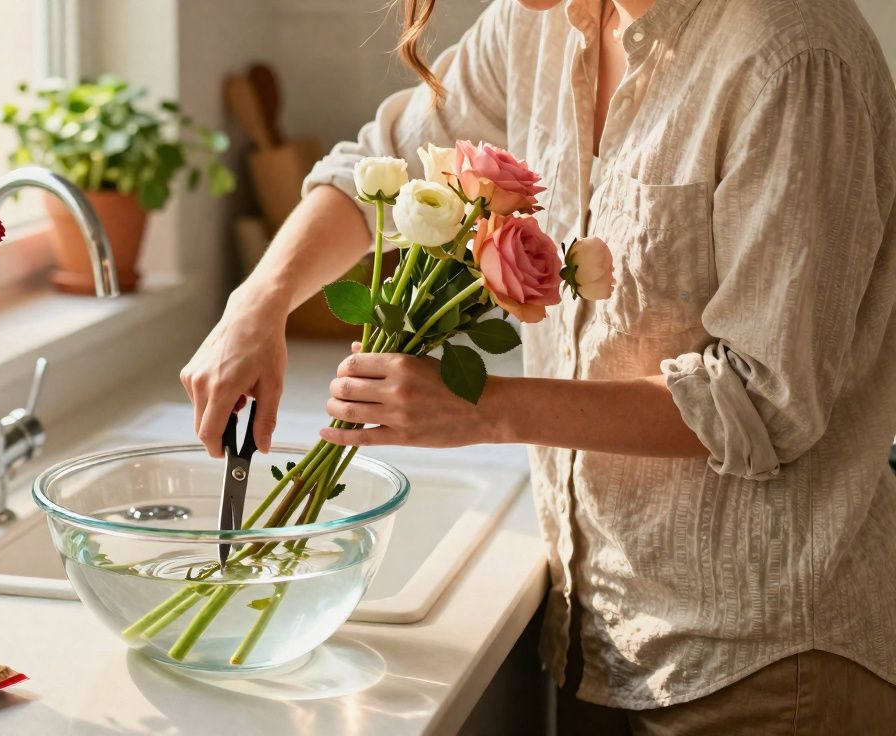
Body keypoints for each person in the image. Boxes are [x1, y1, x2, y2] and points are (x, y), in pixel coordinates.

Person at [179, 0, 896, 732]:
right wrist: (256, 305)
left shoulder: (795, 57)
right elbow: (378, 172)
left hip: (767, 668)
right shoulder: (538, 22)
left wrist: (482, 406)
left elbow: (763, 399)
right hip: (598, 641)